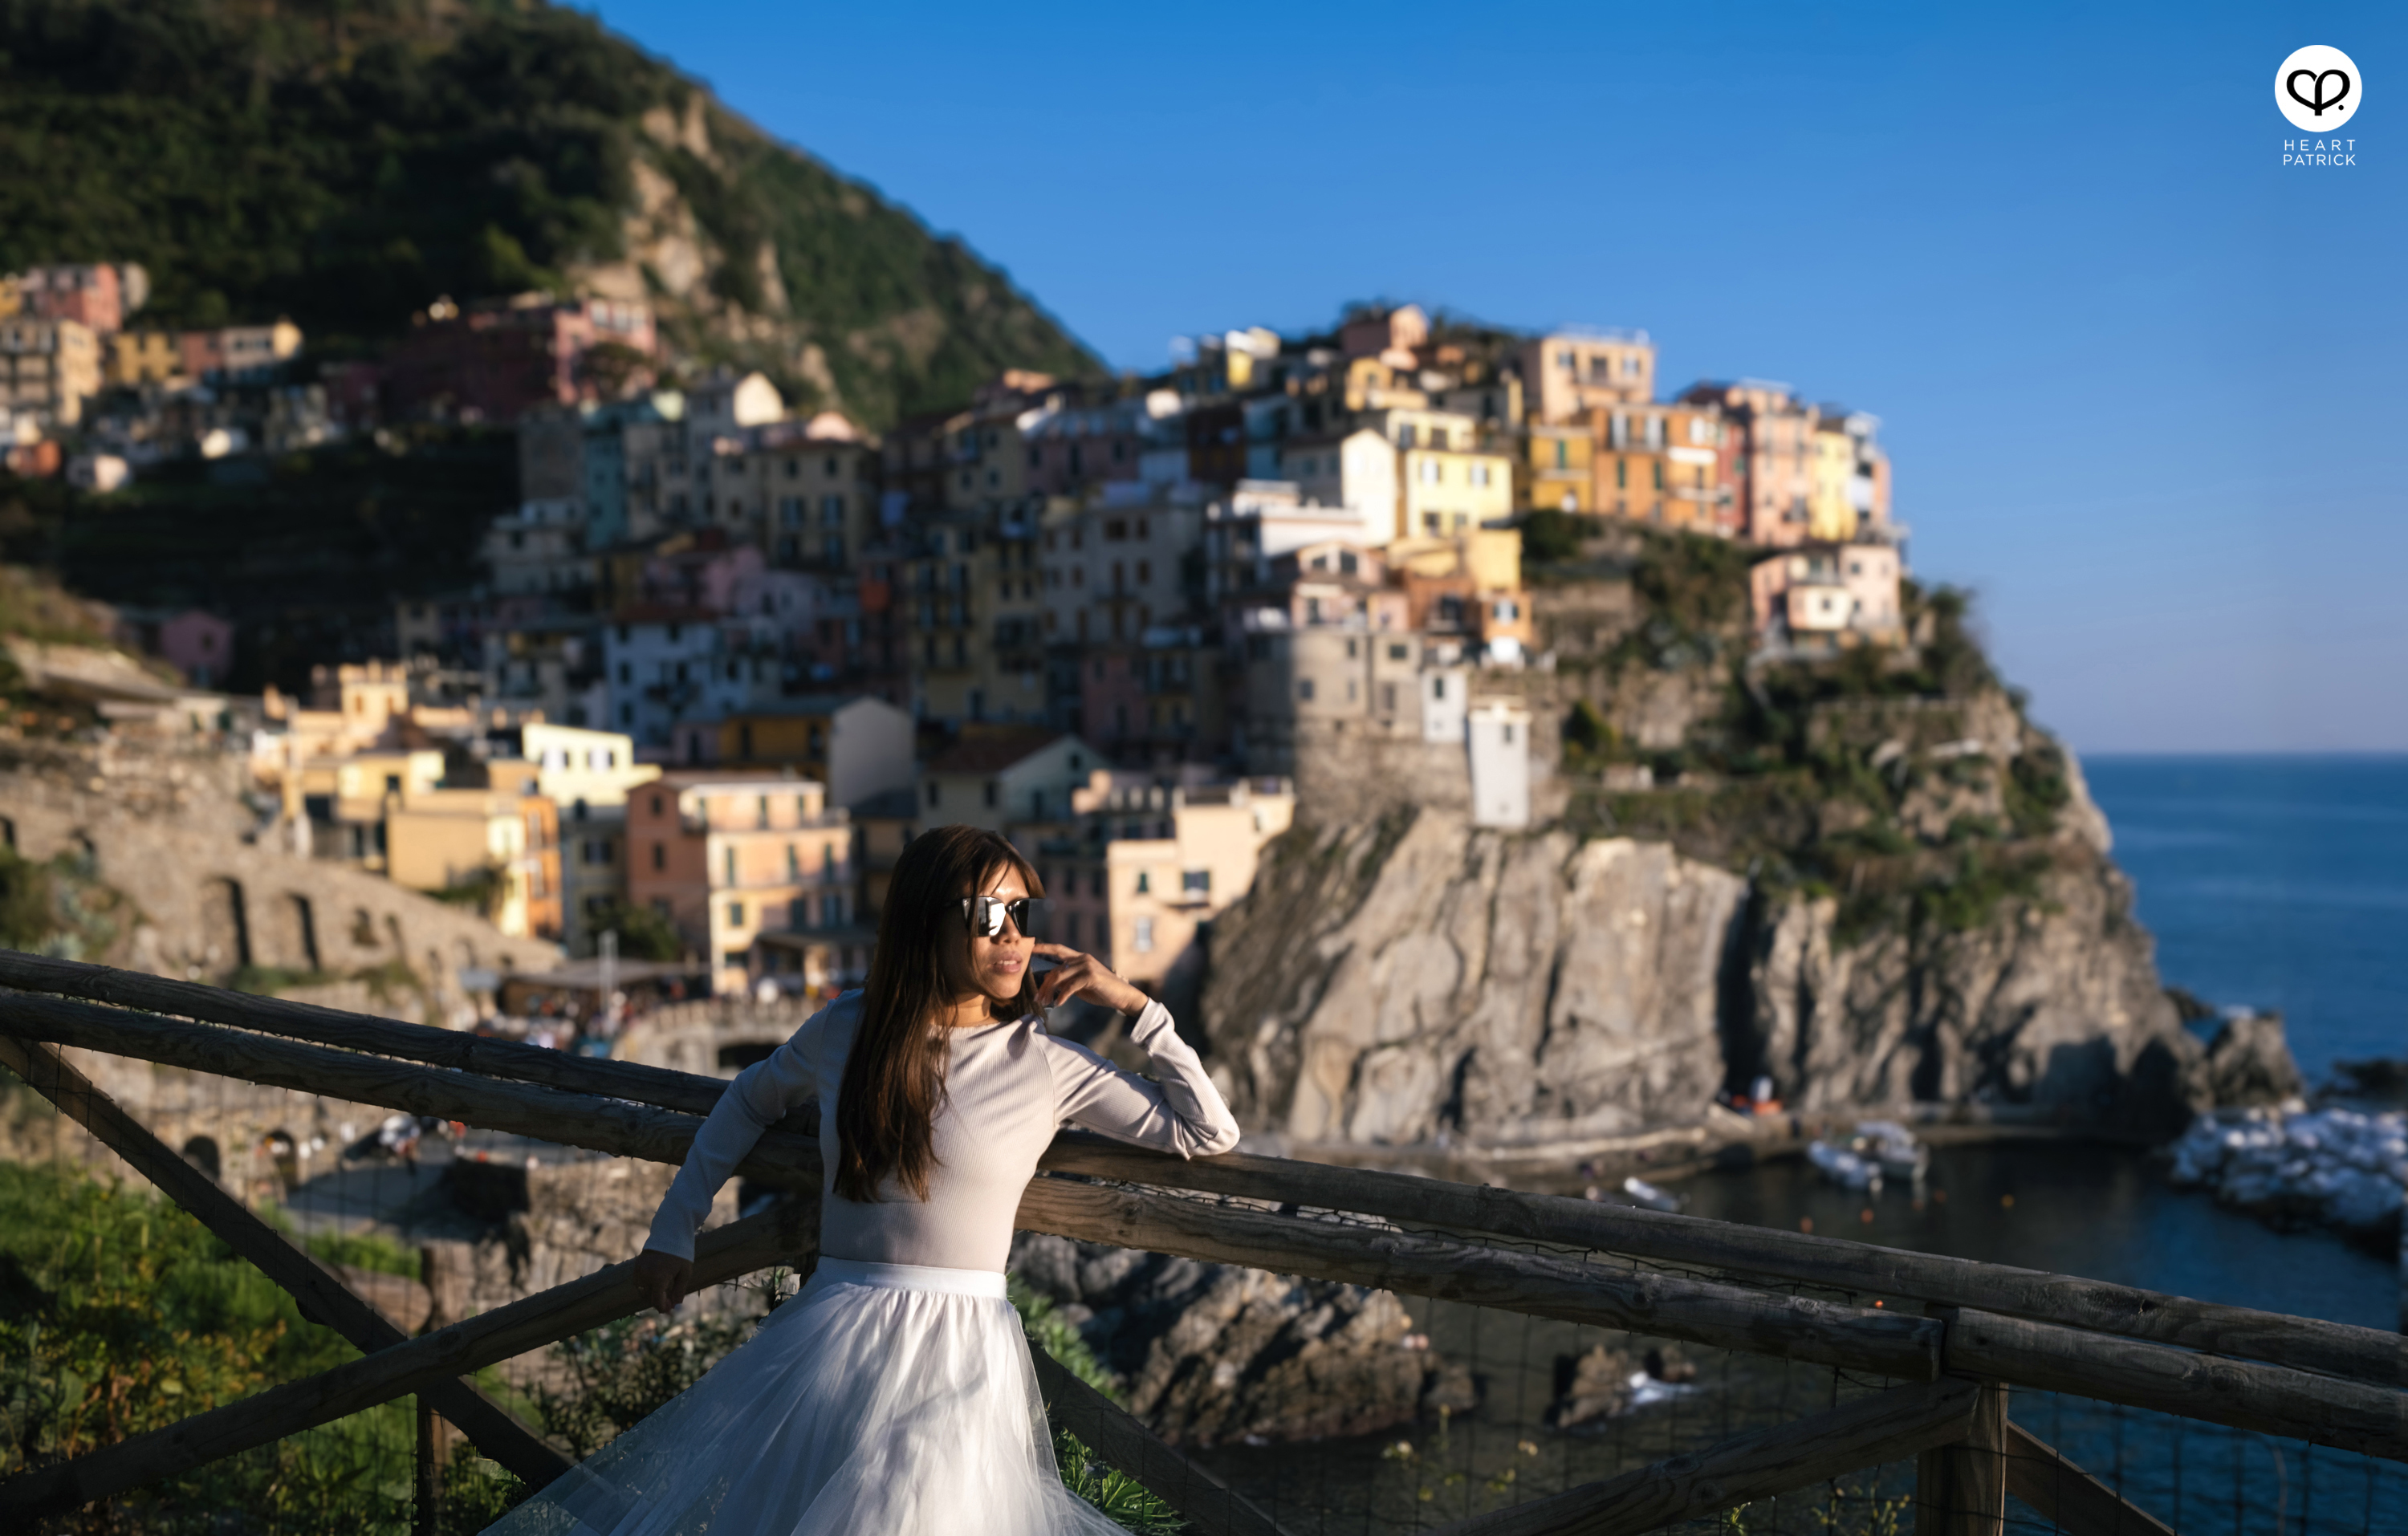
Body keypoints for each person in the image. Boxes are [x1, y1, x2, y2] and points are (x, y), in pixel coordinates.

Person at [484, 825, 1240, 1534]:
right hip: (835, 1343)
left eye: (1021, 911)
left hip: (961, 1358)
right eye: (987, 915)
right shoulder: (848, 1026)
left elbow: (1208, 1131)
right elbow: (747, 1100)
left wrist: (1136, 1006)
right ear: (926, 924)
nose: (1013, 936)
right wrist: (675, 1227)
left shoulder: (1041, 1062)